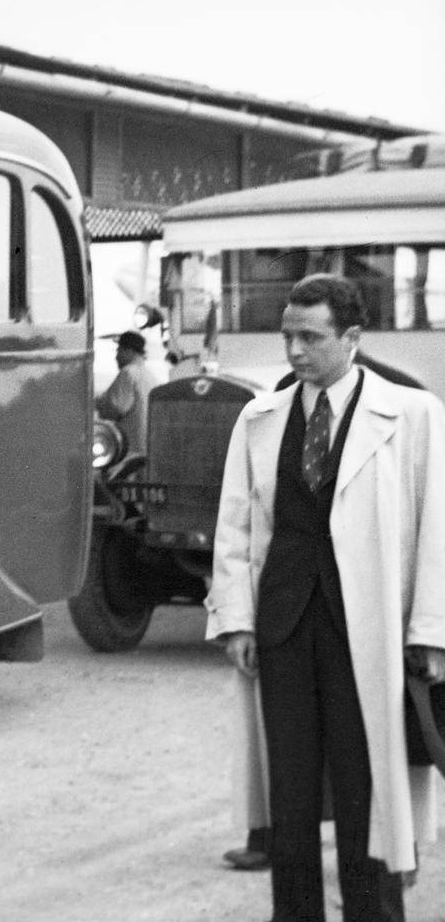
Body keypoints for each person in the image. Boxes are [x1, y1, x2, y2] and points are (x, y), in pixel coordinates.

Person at [205, 273, 445, 921]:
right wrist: (236, 621)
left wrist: (430, 633)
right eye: (287, 337)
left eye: (310, 337)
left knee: (364, 792)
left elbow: (437, 532)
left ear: (353, 338)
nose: (294, 352)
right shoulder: (259, 419)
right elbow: (235, 525)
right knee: (290, 799)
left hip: (364, 635)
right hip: (282, 630)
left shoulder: (413, 416)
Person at [96, 329, 158, 456]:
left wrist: (99, 403)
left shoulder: (128, 373)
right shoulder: (150, 377)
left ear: (129, 350)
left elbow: (115, 408)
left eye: (119, 351)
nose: (116, 357)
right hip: (149, 449)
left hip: (131, 452)